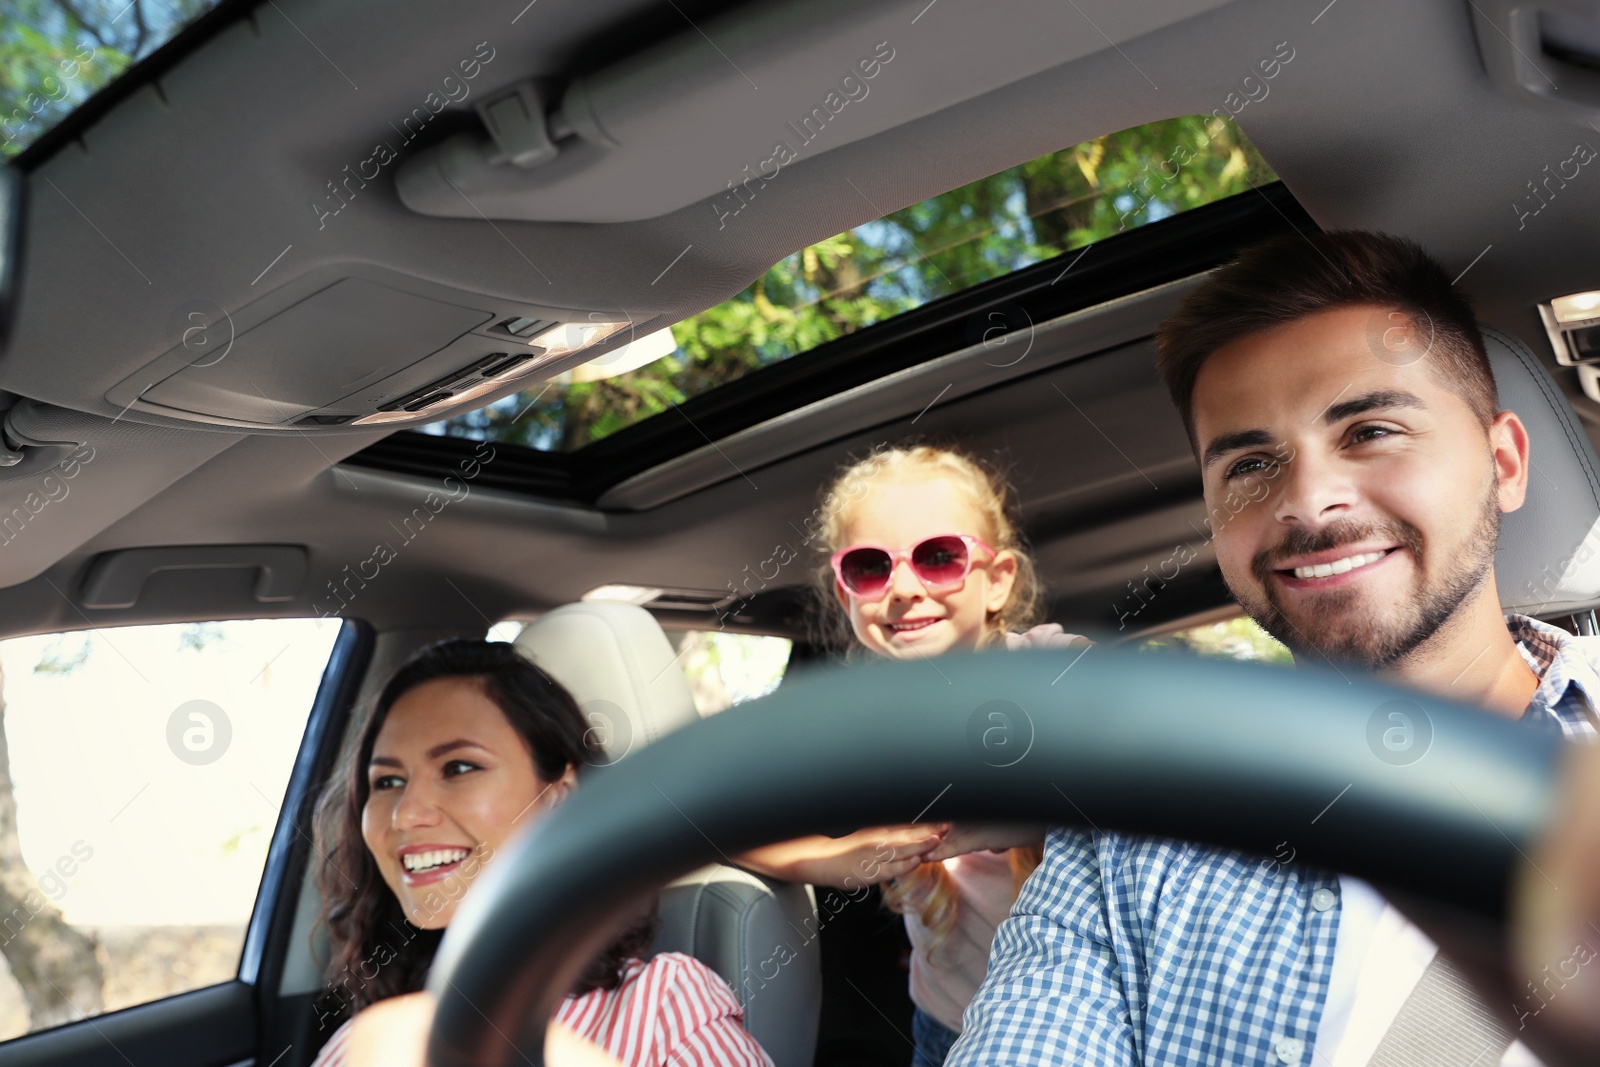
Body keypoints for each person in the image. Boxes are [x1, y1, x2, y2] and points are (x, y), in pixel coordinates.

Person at [946, 230, 1600, 1066]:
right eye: (1251, 464)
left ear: (1504, 463)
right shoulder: (1135, 834)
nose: (1309, 501)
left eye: (1368, 430)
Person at [734, 444, 1081, 1066]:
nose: (902, 589)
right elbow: (704, 818)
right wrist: (832, 858)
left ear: (997, 580)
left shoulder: (1049, 667)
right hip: (949, 1026)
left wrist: (1019, 810)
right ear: (846, 597)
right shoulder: (860, 726)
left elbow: (1130, 759)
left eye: (939, 558)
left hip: (1081, 1019)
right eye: (869, 568)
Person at [308, 639, 772, 1067]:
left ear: (557, 795)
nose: (405, 815)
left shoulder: (664, 1005)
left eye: (459, 767)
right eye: (387, 781)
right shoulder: (366, 1040)